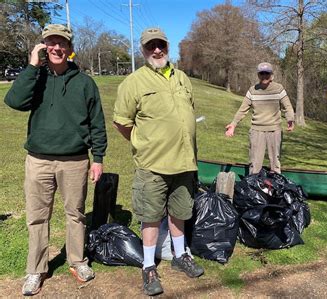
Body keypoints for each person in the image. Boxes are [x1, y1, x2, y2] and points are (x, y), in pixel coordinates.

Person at [4, 24, 107, 296]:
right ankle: (36, 269)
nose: (57, 48)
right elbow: (14, 101)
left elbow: (97, 123)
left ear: (70, 49)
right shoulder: (35, 77)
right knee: (37, 217)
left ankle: (77, 261)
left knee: (76, 213)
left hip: (75, 161)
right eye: (51, 42)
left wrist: (98, 158)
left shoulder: (85, 82)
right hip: (38, 160)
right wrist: (31, 66)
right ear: (43, 46)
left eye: (62, 43)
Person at [113, 27, 204, 296]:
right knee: (150, 217)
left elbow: (189, 114)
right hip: (152, 164)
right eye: (150, 45)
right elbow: (121, 122)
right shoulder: (134, 82)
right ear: (142, 50)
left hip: (184, 162)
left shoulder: (183, 78)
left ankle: (180, 256)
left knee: (180, 213)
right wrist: (144, 142)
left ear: (167, 46)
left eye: (160, 44)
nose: (156, 50)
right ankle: (149, 265)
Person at [225, 62, 295, 174]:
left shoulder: (278, 89)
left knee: (275, 164)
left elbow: (288, 106)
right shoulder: (252, 90)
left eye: (267, 73)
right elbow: (243, 109)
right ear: (258, 75)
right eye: (262, 73)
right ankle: (253, 188)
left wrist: (290, 120)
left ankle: (275, 188)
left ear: (271, 75)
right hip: (256, 131)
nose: (264, 76)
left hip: (274, 130)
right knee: (254, 164)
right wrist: (233, 124)